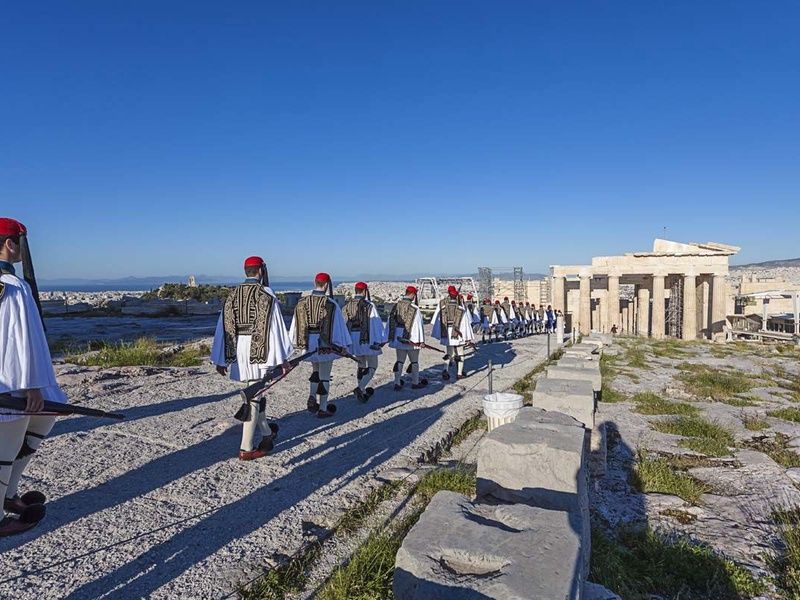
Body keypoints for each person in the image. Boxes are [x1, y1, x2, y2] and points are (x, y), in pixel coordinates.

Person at [0, 217, 65, 536]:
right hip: (10, 381)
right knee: (5, 446)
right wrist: (30, 385)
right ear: (11, 244)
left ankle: (9, 495)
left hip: (9, 379)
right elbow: (17, 339)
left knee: (42, 420)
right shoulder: (11, 285)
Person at [211, 256, 294, 460]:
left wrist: (220, 359)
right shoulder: (266, 294)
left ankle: (266, 434)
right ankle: (246, 448)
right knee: (254, 395)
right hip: (261, 350)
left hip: (239, 350)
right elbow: (275, 328)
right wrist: (283, 358)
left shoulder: (232, 295)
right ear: (261, 271)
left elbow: (223, 329)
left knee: (255, 392)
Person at [289, 273, 352, 418]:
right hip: (325, 343)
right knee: (324, 375)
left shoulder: (302, 302)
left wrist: (297, 342)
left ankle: (312, 395)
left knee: (315, 370)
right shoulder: (331, 304)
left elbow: (295, 325)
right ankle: (323, 407)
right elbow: (337, 327)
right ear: (326, 284)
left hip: (308, 342)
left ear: (314, 283)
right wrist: (342, 346)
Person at [342, 282, 386, 402]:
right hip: (367, 339)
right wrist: (381, 340)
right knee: (372, 366)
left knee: (361, 364)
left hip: (353, 339)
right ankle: (360, 388)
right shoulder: (369, 305)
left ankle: (363, 389)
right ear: (365, 291)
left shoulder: (347, 306)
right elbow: (376, 324)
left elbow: (344, 325)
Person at [387, 286, 427, 390]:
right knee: (414, 361)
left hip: (398, 335)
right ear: (413, 295)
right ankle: (415, 382)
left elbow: (391, 321)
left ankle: (397, 382)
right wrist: (421, 340)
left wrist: (391, 336)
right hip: (411, 337)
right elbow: (418, 324)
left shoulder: (396, 305)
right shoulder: (414, 308)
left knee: (399, 361)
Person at [431, 286, 475, 380]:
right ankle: (459, 373)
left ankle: (445, 370)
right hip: (457, 332)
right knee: (460, 353)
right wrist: (467, 337)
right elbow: (465, 323)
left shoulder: (442, 305)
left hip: (446, 332)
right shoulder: (461, 308)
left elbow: (436, 319)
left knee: (449, 353)